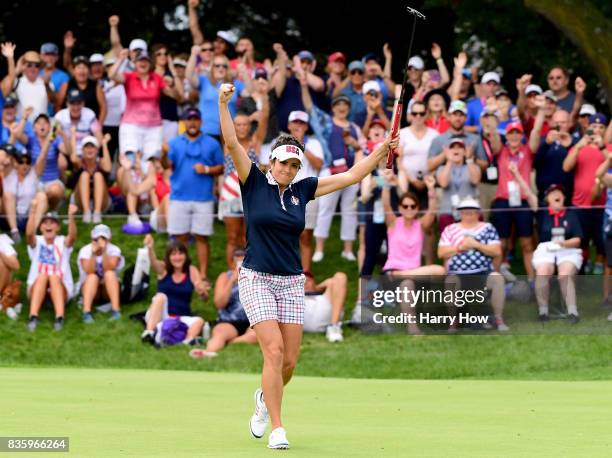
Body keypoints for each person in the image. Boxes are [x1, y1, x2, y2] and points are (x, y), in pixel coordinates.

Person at [219, 81, 399, 449]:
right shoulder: (252, 181)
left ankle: (263, 398)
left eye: (294, 164)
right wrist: (224, 104)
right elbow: (232, 144)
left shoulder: (303, 189)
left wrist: (381, 150)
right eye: (284, 162)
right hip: (256, 278)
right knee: (273, 351)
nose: (289, 168)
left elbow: (350, 176)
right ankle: (278, 427)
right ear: (272, 161)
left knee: (289, 363)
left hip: (291, 281)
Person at [300, 73, 366, 262]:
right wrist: (304, 86)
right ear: (333, 107)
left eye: (345, 105)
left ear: (348, 108)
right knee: (325, 208)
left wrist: (353, 143)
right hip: (331, 170)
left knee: (349, 210)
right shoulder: (326, 123)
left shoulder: (354, 127)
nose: (342, 107)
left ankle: (347, 249)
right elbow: (311, 109)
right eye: (338, 104)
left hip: (352, 172)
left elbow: (361, 148)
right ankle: (319, 249)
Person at [509, 164, 582, 323]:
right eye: (553, 193)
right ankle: (543, 312)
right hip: (546, 248)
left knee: (565, 275)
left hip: (568, 249)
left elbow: (578, 239)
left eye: (559, 193)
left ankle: (572, 312)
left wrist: (564, 243)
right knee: (542, 272)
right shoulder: (542, 211)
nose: (557, 194)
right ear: (547, 199)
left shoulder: (571, 214)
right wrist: (516, 173)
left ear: (563, 197)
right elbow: (528, 193)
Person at [165, 107, 224, 279]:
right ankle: (181, 272)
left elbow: (221, 167)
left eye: (195, 119)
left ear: (201, 122)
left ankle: (203, 274)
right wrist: (162, 153)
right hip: (179, 197)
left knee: (202, 237)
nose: (192, 122)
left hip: (203, 198)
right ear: (184, 122)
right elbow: (167, 165)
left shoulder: (212, 143)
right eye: (189, 119)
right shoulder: (174, 143)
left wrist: (206, 169)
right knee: (179, 238)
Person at [437, 197, 509, 332]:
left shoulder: (487, 228)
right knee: (450, 281)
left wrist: (476, 244)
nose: (468, 215)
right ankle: (453, 322)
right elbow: (441, 253)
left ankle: (498, 319)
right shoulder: (450, 229)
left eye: (472, 212)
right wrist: (460, 248)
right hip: (458, 274)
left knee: (497, 278)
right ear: (460, 213)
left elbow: (496, 251)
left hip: (483, 272)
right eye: (465, 212)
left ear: (478, 213)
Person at [219, 81, 269, 268]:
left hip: (251, 193)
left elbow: (264, 119)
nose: (241, 127)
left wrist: (263, 95)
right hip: (231, 193)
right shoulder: (228, 145)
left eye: (245, 124)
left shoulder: (255, 143)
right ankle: (233, 273)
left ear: (249, 126)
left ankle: (250, 269)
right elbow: (223, 124)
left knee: (250, 234)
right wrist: (223, 100)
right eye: (237, 124)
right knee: (232, 237)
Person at [490, 121, 538, 280]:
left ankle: (532, 281)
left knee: (527, 243)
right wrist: (492, 114)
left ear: (522, 135)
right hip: (503, 200)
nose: (515, 136)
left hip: (523, 201)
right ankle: (494, 280)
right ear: (507, 136)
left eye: (518, 132)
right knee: (500, 244)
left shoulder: (528, 151)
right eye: (511, 133)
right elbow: (493, 138)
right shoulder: (501, 151)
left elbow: (536, 132)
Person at [140, 235, 209, 346]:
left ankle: (187, 341)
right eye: (173, 254)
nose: (177, 257)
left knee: (199, 321)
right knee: (160, 297)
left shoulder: (191, 270)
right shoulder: (164, 269)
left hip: (181, 317)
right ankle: (149, 332)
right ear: (169, 257)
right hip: (159, 316)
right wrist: (150, 248)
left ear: (185, 255)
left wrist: (202, 292)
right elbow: (154, 263)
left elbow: (204, 297)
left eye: (180, 253)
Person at [109, 48, 178, 159]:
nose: (143, 63)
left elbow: (176, 96)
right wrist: (121, 59)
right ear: (135, 63)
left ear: (150, 63)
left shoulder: (157, 78)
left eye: (146, 60)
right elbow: (112, 75)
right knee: (130, 160)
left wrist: (173, 81)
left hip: (154, 127)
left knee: (151, 162)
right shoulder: (129, 77)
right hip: (131, 126)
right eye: (140, 60)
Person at [189, 248, 257, 358]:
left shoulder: (256, 277)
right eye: (237, 260)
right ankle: (208, 352)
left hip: (252, 321)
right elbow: (220, 303)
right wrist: (231, 281)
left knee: (256, 335)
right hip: (229, 321)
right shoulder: (225, 277)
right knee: (220, 334)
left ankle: (231, 342)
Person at [563, 113, 609, 274]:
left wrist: (602, 146)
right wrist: (577, 147)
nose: (596, 130)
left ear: (604, 130)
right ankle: (581, 273)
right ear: (587, 127)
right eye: (593, 126)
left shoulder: (608, 147)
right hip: (579, 203)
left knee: (602, 242)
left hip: (602, 204)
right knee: (580, 241)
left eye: (601, 127)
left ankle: (600, 268)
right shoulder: (579, 146)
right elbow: (566, 167)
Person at [25, 203, 78, 332]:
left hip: (60, 286)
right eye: (45, 223)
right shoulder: (37, 241)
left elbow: (72, 237)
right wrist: (33, 211)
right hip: (37, 286)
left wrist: (71, 217)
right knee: (43, 275)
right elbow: (28, 235)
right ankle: (33, 316)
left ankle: (59, 317)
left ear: (58, 227)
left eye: (52, 222)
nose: (48, 225)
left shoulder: (62, 241)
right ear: (41, 227)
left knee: (54, 276)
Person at [286, 110, 324, 273]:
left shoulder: (314, 143)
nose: (297, 126)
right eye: (295, 122)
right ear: (289, 125)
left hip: (308, 194)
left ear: (306, 127)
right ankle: (286, 270)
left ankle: (306, 273)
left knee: (305, 236)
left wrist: (301, 145)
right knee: (285, 236)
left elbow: (318, 165)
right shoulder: (280, 142)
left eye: (301, 123)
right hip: (285, 193)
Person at [185, 45, 245, 140]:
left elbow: (250, 93)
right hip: (206, 131)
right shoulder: (204, 80)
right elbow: (189, 76)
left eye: (224, 66)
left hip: (230, 133)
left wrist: (244, 72)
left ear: (228, 68)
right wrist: (193, 55)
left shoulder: (235, 83)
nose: (220, 68)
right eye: (217, 65)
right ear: (212, 68)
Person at [77, 224, 124, 323]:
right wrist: (94, 254)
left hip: (108, 290)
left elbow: (109, 267)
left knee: (110, 274)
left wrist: (104, 251)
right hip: (90, 289)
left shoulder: (115, 250)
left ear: (109, 238)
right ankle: (86, 312)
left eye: (103, 238)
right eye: (97, 238)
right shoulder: (85, 250)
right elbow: (89, 270)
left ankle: (116, 311)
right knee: (92, 277)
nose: (100, 241)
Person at [3, 147, 50, 241]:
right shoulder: (9, 173)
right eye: (21, 162)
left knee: (42, 196)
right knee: (8, 195)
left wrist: (50, 139)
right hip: (11, 217)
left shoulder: (34, 173)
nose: (24, 165)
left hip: (30, 217)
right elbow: (4, 157)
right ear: (15, 162)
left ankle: (33, 231)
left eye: (27, 162)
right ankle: (14, 232)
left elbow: (42, 157)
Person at [436, 138, 481, 233]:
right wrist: (448, 161)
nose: (456, 150)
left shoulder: (473, 166)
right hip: (448, 211)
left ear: (464, 152)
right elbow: (444, 183)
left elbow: (475, 180)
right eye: (453, 148)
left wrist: (469, 160)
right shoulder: (441, 169)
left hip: (470, 211)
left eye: (460, 147)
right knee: (449, 243)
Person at [70, 134, 112, 224]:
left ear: (97, 150)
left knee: (98, 176)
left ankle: (97, 213)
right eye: (86, 147)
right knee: (84, 175)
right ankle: (87, 212)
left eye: (92, 147)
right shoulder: (79, 163)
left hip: (102, 203)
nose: (89, 150)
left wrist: (104, 144)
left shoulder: (100, 162)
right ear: (82, 150)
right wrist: (73, 135)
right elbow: (73, 158)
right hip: (80, 202)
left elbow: (108, 168)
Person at [56, 54, 107, 122]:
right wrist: (63, 122)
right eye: (79, 67)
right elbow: (57, 105)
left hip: (91, 127)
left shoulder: (96, 86)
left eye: (85, 67)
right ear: (74, 70)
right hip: (69, 127)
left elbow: (103, 107)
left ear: (89, 70)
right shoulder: (66, 85)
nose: (82, 71)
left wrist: (99, 126)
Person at [53, 89, 103, 157]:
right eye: (72, 103)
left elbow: (99, 136)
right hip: (65, 151)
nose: (76, 107)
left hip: (86, 152)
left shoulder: (90, 114)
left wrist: (91, 152)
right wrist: (70, 153)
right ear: (67, 104)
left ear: (83, 103)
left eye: (79, 103)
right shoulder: (59, 116)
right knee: (62, 161)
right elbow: (52, 136)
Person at [303, 271, 348, 343]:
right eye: (301, 281)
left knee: (340, 276)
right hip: (300, 308)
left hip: (325, 309)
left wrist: (316, 288)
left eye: (308, 280)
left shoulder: (325, 295)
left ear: (314, 282)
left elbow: (332, 281)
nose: (305, 283)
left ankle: (334, 328)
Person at [152, 43, 184, 142]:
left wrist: (173, 71)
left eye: (165, 54)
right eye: (159, 54)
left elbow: (181, 97)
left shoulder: (171, 74)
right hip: (152, 120)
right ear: (153, 56)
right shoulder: (149, 74)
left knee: (170, 154)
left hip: (171, 119)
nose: (163, 56)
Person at [14, 50, 53, 121]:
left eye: (37, 66)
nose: (33, 68)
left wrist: (47, 85)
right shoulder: (16, 82)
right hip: (21, 127)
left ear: (40, 68)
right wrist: (17, 70)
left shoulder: (46, 83)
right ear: (23, 67)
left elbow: (54, 102)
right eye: (29, 65)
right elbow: (2, 89)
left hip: (41, 127)